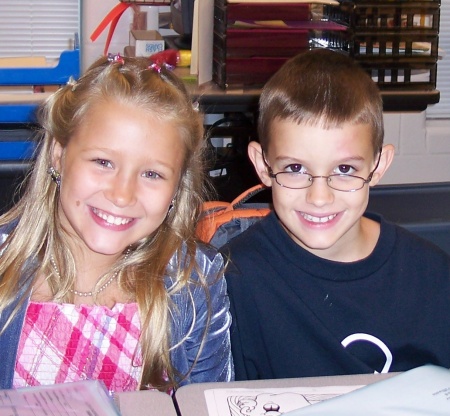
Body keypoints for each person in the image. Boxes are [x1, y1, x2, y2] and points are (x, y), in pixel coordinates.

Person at [0, 54, 233, 392]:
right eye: (103, 162)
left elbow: (211, 404)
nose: (122, 195)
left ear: (177, 186)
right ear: (58, 155)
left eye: (152, 173)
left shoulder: (194, 284)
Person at [221, 48, 450, 380]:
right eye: (295, 168)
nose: (319, 197)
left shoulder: (433, 278)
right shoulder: (232, 280)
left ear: (378, 166)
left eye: (344, 169)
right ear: (263, 165)